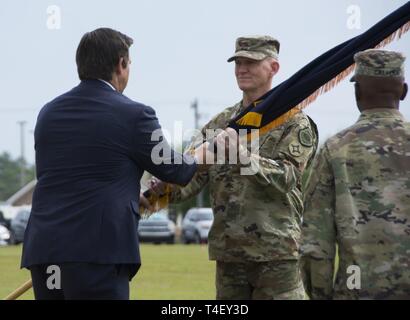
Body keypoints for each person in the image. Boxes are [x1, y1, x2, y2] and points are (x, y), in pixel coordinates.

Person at [21, 28, 209, 300]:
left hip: (45, 250)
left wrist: (125, 195)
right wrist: (204, 152)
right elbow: (176, 170)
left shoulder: (48, 113)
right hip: (97, 254)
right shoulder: (135, 114)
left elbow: (76, 174)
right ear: (121, 64)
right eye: (129, 63)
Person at [150, 36, 318, 300]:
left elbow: (287, 178)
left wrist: (243, 157)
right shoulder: (222, 123)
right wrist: (159, 192)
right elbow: (194, 175)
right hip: (229, 254)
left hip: (275, 254)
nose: (242, 69)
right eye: (238, 62)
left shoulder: (294, 122)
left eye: (251, 62)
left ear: (273, 68)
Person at [301, 49, 410, 299]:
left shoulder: (336, 149)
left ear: (357, 92)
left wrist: (321, 294)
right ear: (403, 91)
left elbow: (315, 246)